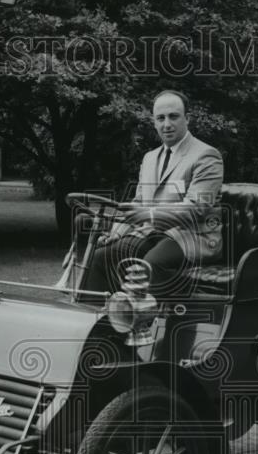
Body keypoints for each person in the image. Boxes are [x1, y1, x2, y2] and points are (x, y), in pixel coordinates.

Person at [79, 90, 223, 299]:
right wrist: (118, 231)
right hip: (154, 233)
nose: (167, 124)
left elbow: (195, 209)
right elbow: (138, 202)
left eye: (173, 116)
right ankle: (99, 324)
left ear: (187, 118)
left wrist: (149, 214)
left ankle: (153, 325)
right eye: (160, 118)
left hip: (194, 236)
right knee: (102, 257)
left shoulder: (206, 155)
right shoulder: (149, 158)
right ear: (154, 122)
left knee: (152, 262)